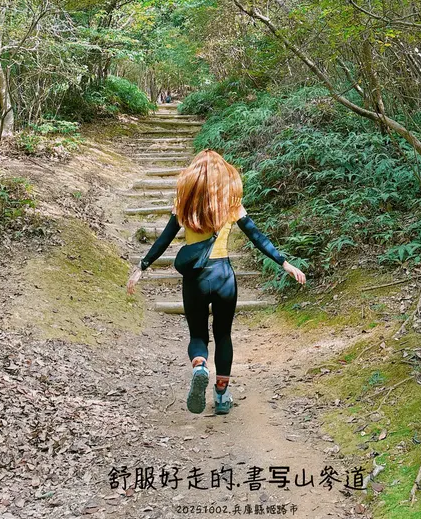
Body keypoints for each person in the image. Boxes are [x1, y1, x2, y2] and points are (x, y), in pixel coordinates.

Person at [126, 149, 306, 415]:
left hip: (195, 279)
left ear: (193, 176)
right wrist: (284, 263)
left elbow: (164, 239)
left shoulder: (184, 205)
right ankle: (221, 395)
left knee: (198, 334)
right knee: (223, 335)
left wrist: (142, 267)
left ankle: (199, 366)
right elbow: (257, 237)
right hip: (223, 277)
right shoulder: (232, 204)